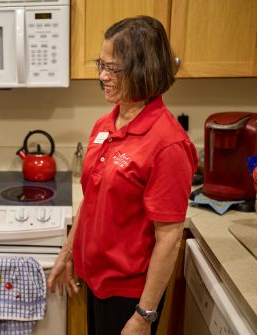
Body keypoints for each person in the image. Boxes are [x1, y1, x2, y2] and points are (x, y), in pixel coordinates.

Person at [47, 16, 198, 335]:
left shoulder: (168, 143)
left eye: (113, 68)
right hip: (96, 283)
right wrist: (67, 253)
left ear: (143, 69)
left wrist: (144, 316)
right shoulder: (105, 124)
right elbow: (92, 199)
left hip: (129, 297)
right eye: (100, 64)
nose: (102, 76)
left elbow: (169, 239)